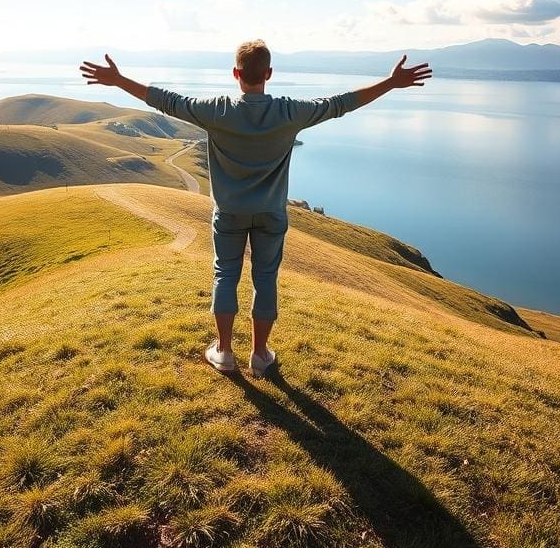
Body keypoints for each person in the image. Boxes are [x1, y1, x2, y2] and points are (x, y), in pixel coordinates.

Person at [79, 40, 431, 376]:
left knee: (225, 275)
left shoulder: (216, 110)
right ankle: (260, 355)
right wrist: (391, 82)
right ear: (269, 74)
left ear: (236, 73)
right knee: (265, 279)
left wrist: (118, 80)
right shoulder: (289, 112)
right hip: (271, 214)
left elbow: (166, 101)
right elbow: (342, 103)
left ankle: (224, 352)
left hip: (229, 213)